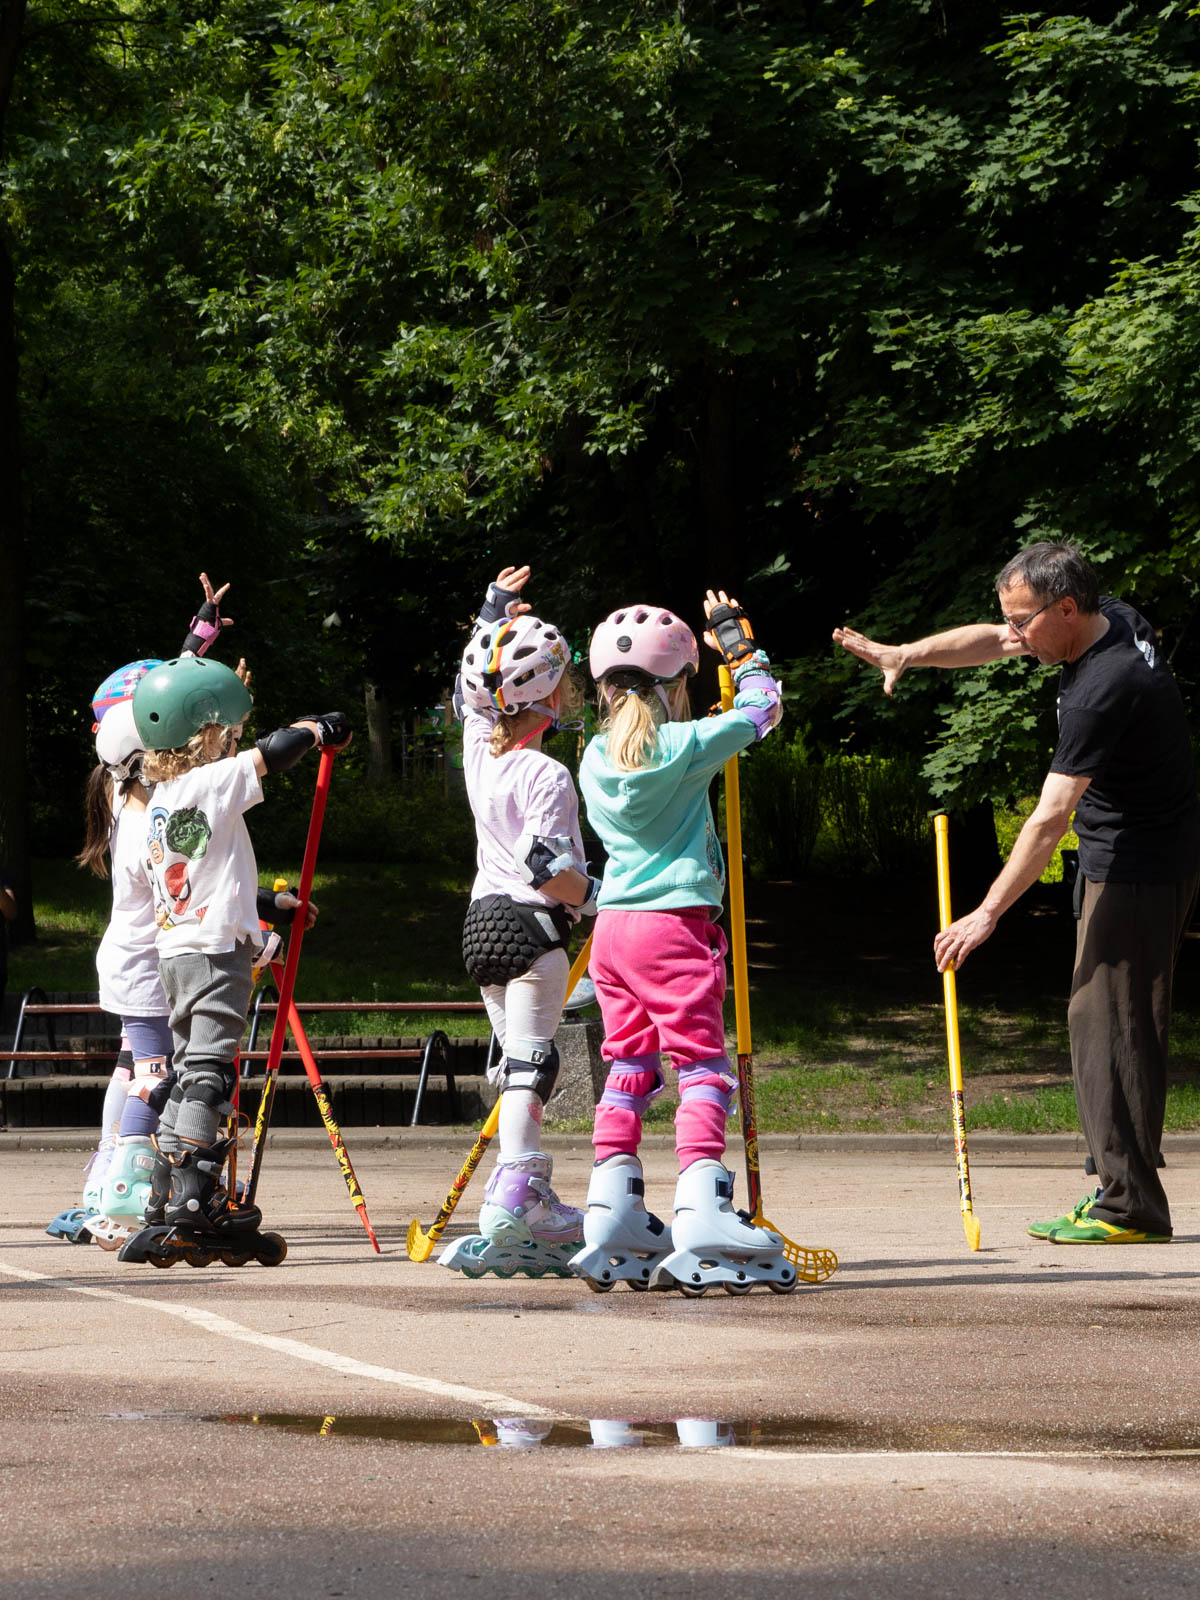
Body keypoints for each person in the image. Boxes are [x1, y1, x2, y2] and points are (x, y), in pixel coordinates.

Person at [834, 541, 1200, 1245]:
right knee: (1113, 1024)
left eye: (1024, 620)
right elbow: (988, 642)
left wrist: (985, 913)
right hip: (1136, 854)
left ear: (1066, 608)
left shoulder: (1105, 685)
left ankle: (1130, 1207)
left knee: (1109, 1025)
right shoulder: (1110, 616)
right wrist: (908, 653)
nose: (1014, 634)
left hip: (1139, 867)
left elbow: (1048, 818)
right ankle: (1119, 1181)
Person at [569, 591, 795, 1294]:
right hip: (674, 926)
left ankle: (613, 1207)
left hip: (613, 933)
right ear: (676, 683)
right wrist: (738, 642)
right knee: (701, 1064)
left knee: (629, 1065)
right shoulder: (683, 744)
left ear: (605, 688)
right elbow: (764, 708)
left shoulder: (594, 757)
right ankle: (702, 1205)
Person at [123, 652, 349, 1259]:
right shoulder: (211, 781)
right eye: (225, 730)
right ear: (202, 734)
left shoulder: (159, 804)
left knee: (187, 1068)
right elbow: (272, 753)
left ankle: (168, 1189)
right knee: (211, 1070)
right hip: (216, 954)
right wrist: (316, 729)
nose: (234, 740)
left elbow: (206, 877)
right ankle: (198, 1193)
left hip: (177, 951)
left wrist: (271, 906)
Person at [47, 575, 239, 1244]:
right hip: (148, 957)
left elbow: (158, 705)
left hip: (130, 956)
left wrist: (201, 631)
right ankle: (121, 1196)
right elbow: (173, 720)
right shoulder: (152, 805)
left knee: (132, 1067)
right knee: (152, 1076)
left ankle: (105, 1181)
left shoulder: (121, 786)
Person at [437, 564, 597, 1280]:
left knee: (514, 1063)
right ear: (554, 695)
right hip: (533, 929)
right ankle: (518, 1200)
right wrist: (599, 897)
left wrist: (491, 610)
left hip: (479, 929)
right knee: (536, 1063)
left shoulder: (480, 755)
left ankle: (524, 1190)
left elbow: (470, 700)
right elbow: (549, 869)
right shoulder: (546, 774)